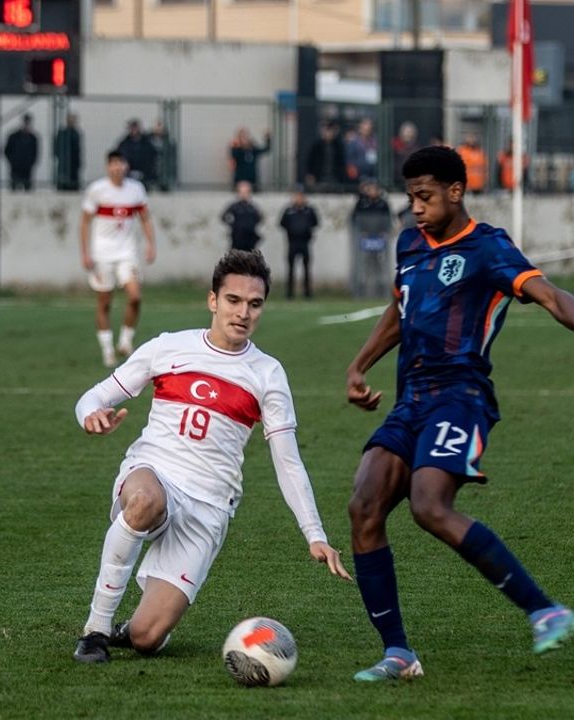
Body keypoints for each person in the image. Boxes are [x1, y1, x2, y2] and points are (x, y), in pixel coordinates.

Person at [342, 146, 574, 682]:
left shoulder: (488, 247)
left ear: (455, 191)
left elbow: (549, 294)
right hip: (410, 401)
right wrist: (359, 365)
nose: (416, 208)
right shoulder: (410, 244)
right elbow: (401, 309)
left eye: (424, 197)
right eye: (410, 198)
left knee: (428, 504)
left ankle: (545, 610)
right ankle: (398, 653)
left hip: (459, 397)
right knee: (364, 507)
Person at [71, 249, 351, 664]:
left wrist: (315, 533)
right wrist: (90, 415)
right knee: (145, 501)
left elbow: (288, 461)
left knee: (147, 640)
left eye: (255, 304)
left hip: (210, 506)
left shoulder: (268, 374)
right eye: (234, 300)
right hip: (155, 471)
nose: (243, 313)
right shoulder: (168, 347)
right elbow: (93, 396)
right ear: (213, 300)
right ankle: (95, 629)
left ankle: (135, 627)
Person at [80, 150, 157, 368]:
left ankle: (125, 340)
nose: (117, 167)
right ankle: (107, 350)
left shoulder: (136, 189)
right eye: (113, 163)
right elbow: (84, 222)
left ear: (126, 165)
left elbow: (145, 218)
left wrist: (151, 245)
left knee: (135, 297)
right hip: (102, 254)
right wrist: (85, 252)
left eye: (120, 163)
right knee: (104, 302)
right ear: (107, 167)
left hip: (127, 253)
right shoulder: (97, 190)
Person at [350, 178, 394, 298]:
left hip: (379, 240)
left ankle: (382, 292)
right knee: (363, 266)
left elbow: (388, 221)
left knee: (381, 266)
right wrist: (361, 232)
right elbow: (355, 221)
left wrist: (384, 232)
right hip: (365, 240)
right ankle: (361, 292)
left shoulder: (383, 204)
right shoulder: (361, 204)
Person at [279, 186, 320, 299]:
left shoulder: (309, 210)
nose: (299, 198)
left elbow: (316, 223)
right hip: (292, 242)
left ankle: (307, 293)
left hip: (305, 242)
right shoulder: (288, 211)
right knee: (291, 268)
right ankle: (289, 293)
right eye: (297, 196)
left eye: (301, 196)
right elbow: (282, 224)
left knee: (306, 268)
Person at [221, 181, 262, 253]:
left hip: (250, 238)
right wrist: (233, 225)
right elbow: (224, 217)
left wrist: (251, 226)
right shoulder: (234, 206)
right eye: (242, 192)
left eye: (246, 192)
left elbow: (259, 218)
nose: (244, 194)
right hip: (237, 238)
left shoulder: (252, 207)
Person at [116, 119, 156, 189]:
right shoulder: (124, 143)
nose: (134, 130)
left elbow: (152, 156)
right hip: (128, 172)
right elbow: (119, 155)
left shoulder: (147, 142)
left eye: (135, 128)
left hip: (145, 172)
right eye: (132, 128)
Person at [4, 113, 39, 191]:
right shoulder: (13, 137)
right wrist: (12, 161)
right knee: (14, 189)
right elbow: (6, 151)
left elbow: (36, 153)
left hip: (27, 169)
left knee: (27, 190)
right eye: (25, 122)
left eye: (28, 123)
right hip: (15, 168)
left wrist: (31, 163)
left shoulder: (33, 138)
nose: (26, 125)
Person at [229, 127, 271, 192]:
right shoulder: (237, 149)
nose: (245, 139)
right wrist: (236, 145)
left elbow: (266, 149)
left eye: (246, 136)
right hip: (240, 178)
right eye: (242, 137)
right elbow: (233, 155)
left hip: (252, 179)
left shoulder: (253, 149)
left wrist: (268, 138)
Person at [305, 123, 343, 193]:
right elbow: (310, 162)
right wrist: (310, 175)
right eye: (327, 131)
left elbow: (341, 164)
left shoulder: (338, 147)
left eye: (331, 131)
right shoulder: (316, 146)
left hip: (334, 179)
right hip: (319, 178)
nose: (329, 134)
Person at [54, 112, 83, 192]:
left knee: (73, 186)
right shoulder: (62, 133)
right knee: (63, 186)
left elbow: (78, 150)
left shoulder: (76, 134)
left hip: (74, 165)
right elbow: (57, 149)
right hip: (64, 165)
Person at [345, 118, 378, 187]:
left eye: (369, 128)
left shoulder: (376, 141)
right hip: (359, 177)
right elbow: (350, 161)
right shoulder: (354, 143)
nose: (367, 130)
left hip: (374, 175)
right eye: (365, 128)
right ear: (360, 128)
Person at [390, 121, 420, 187]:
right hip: (396, 180)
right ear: (401, 133)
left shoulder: (416, 148)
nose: (408, 135)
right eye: (407, 132)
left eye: (410, 132)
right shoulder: (394, 145)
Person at [149, 120, 176, 192]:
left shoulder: (168, 141)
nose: (158, 130)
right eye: (156, 127)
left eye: (160, 127)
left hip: (163, 164)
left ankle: (163, 184)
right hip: (152, 163)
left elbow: (171, 156)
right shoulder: (148, 140)